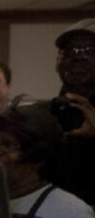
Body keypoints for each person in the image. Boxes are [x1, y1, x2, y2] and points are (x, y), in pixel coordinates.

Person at [22, 19, 95, 207]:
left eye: (90, 51)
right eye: (70, 51)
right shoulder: (38, 116)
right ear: (57, 62)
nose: (79, 58)